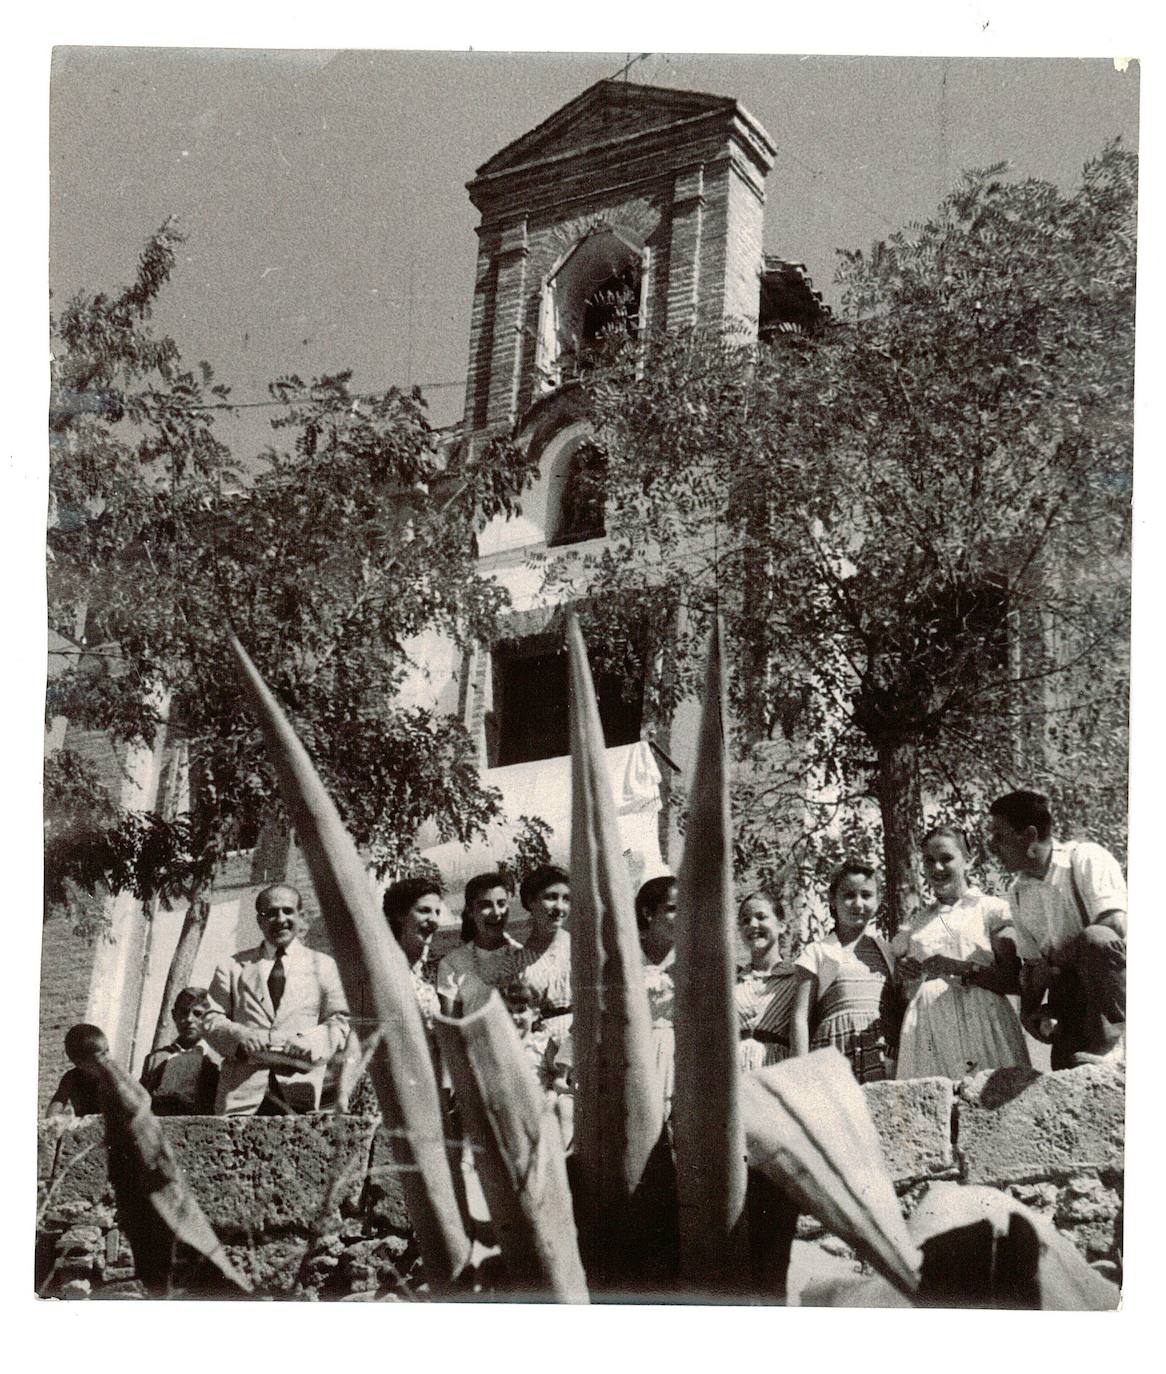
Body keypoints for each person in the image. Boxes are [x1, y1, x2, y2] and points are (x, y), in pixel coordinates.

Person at [987, 789, 1127, 1068]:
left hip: (1113, 987)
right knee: (1066, 1071)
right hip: (1071, 999)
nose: (992, 846)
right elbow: (1032, 966)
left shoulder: (1085, 858)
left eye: (999, 836)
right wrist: (1029, 1012)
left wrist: (1052, 963)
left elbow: (1114, 924)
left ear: (1028, 836)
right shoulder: (1017, 893)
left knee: (1097, 938)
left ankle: (1121, 1045)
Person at [894, 827, 1029, 1080]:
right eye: (929, 861)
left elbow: (1014, 980)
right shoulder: (917, 923)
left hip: (983, 1022)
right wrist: (908, 974)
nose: (937, 868)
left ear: (969, 860)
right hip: (929, 1029)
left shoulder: (991, 910)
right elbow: (907, 992)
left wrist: (959, 968)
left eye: (946, 858)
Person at [202, 884, 350, 1115]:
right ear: (260, 921)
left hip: (299, 1092)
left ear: (301, 917)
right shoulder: (232, 967)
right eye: (271, 913)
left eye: (288, 911)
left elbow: (340, 1021)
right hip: (240, 1098)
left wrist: (310, 1041)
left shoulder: (324, 966)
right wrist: (240, 1035)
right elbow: (210, 1018)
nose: (280, 919)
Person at [790, 859, 899, 1083]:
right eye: (849, 895)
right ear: (832, 900)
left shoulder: (887, 952)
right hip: (833, 1054)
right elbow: (800, 1017)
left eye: (866, 895)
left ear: (878, 900)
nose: (857, 903)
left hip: (878, 1055)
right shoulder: (818, 952)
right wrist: (800, 1074)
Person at [436, 871, 521, 1017]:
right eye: (486, 905)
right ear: (470, 911)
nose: (496, 912)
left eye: (501, 904)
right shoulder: (452, 965)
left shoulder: (521, 955)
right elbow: (451, 1027)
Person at [735, 893, 799, 1071]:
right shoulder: (733, 982)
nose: (753, 925)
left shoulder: (797, 979)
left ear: (781, 926)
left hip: (777, 1069)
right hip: (734, 1072)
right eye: (745, 921)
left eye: (761, 917)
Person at [509, 864, 572, 1039]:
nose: (560, 907)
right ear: (531, 901)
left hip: (580, 1041)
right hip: (538, 1046)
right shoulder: (518, 962)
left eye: (566, 899)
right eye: (551, 897)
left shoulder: (581, 949)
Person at [139, 987, 221, 1115]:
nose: (189, 1019)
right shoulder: (156, 1059)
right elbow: (141, 1104)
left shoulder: (218, 1059)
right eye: (183, 1012)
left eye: (197, 1014)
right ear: (174, 1015)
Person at [636, 875, 678, 1117]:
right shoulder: (628, 960)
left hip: (680, 1060)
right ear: (648, 913)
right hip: (638, 1056)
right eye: (672, 909)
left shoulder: (692, 961)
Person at [383, 876, 445, 1029]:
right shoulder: (380, 969)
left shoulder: (443, 968)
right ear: (400, 914)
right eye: (424, 911)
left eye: (437, 912)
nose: (434, 920)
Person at [45, 1023, 107, 1120]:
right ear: (79, 1063)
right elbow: (52, 1113)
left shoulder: (111, 1076)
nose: (106, 1059)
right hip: (89, 1128)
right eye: (100, 1057)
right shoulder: (71, 1078)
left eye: (107, 1051)